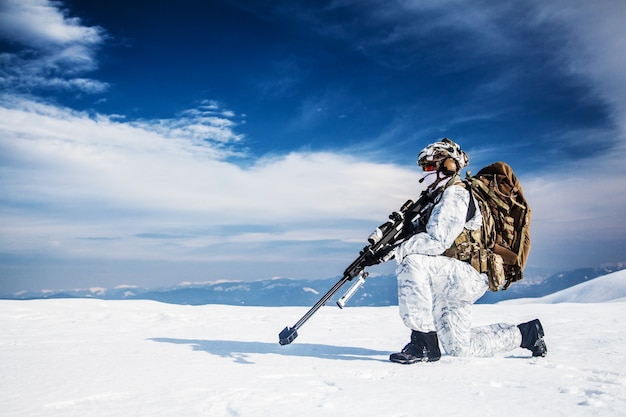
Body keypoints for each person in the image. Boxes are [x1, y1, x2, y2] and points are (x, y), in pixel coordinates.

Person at [388, 138, 547, 364]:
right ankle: (527, 334)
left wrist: (397, 249)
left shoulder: (456, 195)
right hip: (455, 277)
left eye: (431, 166)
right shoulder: (438, 199)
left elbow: (436, 241)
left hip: (467, 274)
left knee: (411, 263)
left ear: (449, 166)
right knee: (460, 348)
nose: (426, 172)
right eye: (424, 168)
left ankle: (423, 343)